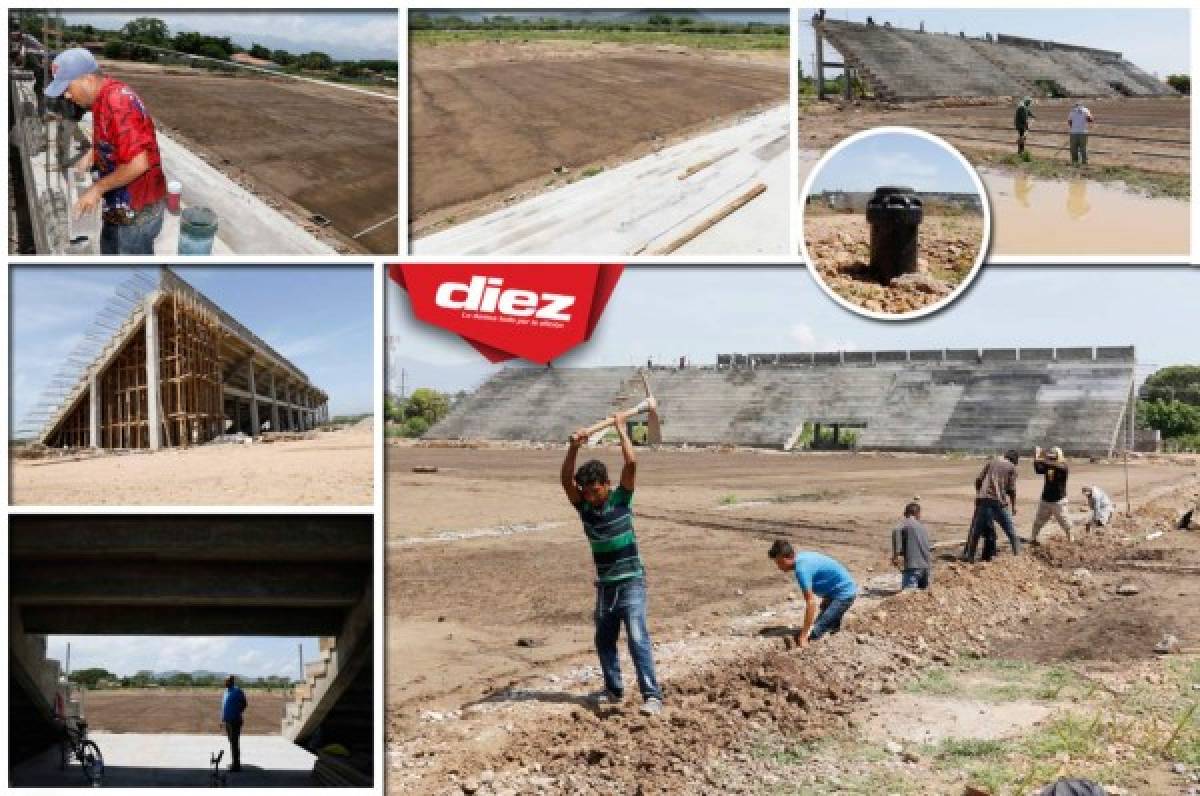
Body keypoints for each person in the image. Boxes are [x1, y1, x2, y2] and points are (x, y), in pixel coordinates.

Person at [561, 409, 663, 716]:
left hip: (631, 581)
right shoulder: (585, 510)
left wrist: (621, 428)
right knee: (604, 640)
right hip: (606, 587)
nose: (593, 497)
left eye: (597, 490)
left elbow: (631, 464)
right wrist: (574, 447)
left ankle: (652, 696)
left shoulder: (621, 500)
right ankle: (614, 688)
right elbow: (566, 480)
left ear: (607, 484)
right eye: (587, 492)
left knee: (636, 636)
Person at [44, 47, 167, 254]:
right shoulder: (101, 99)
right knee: (109, 252)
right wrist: (90, 156)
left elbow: (139, 163)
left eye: (68, 87)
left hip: (137, 212)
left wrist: (97, 188)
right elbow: (110, 138)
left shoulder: (118, 102)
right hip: (117, 205)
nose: (66, 95)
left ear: (87, 79)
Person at [768, 539, 858, 645]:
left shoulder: (802, 569)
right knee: (825, 623)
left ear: (790, 556)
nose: (779, 567)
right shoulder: (801, 558)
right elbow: (826, 572)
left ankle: (828, 640)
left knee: (815, 633)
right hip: (834, 593)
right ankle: (833, 631)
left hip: (844, 594)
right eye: (777, 563)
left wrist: (803, 635)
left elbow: (811, 603)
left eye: (780, 562)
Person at [970, 450, 1022, 561]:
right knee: (1011, 531)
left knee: (976, 532)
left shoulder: (992, 462)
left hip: (983, 500)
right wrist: (1013, 506)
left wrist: (979, 494)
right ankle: (1018, 557)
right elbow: (1012, 490)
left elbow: (978, 480)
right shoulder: (1012, 467)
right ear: (1014, 460)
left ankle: (970, 556)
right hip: (997, 502)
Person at [1031, 446, 1073, 544]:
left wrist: (1041, 459)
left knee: (1064, 520)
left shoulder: (1063, 466)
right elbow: (1038, 470)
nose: (1051, 459)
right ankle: (1033, 538)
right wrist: (1036, 457)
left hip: (1058, 500)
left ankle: (1071, 538)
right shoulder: (1048, 466)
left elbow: (1052, 465)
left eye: (1053, 457)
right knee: (1039, 521)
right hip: (1046, 499)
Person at [891, 502, 932, 590]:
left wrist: (896, 556)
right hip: (925, 567)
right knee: (922, 597)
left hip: (913, 567)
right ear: (917, 514)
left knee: (908, 596)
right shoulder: (923, 527)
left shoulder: (906, 523)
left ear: (905, 513)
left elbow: (896, 530)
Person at [220, 675, 248, 772]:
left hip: (235, 721)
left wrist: (237, 712)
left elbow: (244, 704)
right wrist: (222, 719)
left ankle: (236, 765)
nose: (225, 683)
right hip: (227, 721)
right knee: (232, 742)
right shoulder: (225, 692)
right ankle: (234, 762)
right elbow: (224, 706)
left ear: (232, 681)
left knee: (234, 743)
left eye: (227, 681)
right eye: (225, 681)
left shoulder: (238, 691)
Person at [1067, 101, 1094, 166]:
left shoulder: (1073, 111)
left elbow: (1069, 122)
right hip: (1083, 132)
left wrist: (1073, 127)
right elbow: (1090, 119)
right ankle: (1084, 162)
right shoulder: (1085, 110)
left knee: (1074, 148)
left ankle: (1075, 161)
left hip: (1074, 132)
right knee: (1083, 148)